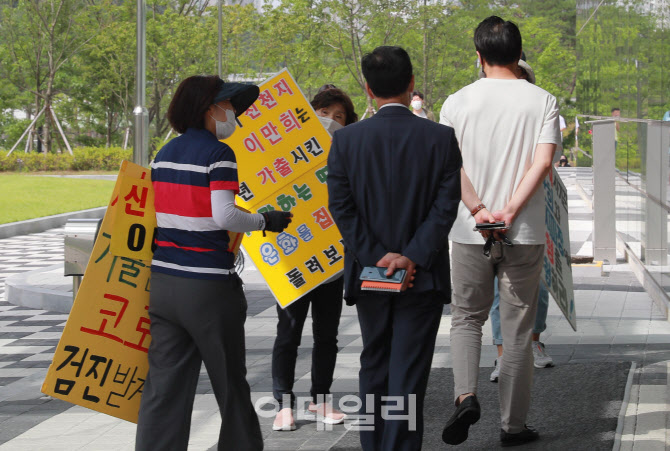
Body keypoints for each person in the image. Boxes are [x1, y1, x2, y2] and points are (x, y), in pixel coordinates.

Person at [136, 75, 292, 451]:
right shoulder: (219, 155)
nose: (233, 115)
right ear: (209, 108)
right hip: (207, 287)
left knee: (164, 387)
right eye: (228, 107)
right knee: (230, 383)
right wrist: (264, 221)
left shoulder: (163, 154)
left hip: (164, 283)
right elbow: (224, 216)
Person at [328, 46, 462, 450]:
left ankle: (373, 445)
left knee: (373, 365)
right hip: (420, 278)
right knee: (408, 372)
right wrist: (410, 257)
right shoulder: (440, 138)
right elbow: (445, 206)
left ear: (367, 89)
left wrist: (376, 258)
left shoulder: (346, 141)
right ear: (411, 85)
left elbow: (342, 208)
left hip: (369, 276)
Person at [440, 16, 560, 447]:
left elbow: (450, 167)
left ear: (479, 56)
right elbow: (543, 162)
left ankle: (466, 395)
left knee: (467, 317)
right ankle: (513, 426)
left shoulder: (456, 102)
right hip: (522, 231)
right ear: (518, 53)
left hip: (470, 230)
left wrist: (480, 209)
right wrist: (509, 211)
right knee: (517, 330)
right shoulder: (543, 100)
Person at [271, 87, 357, 432]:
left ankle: (320, 399)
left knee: (327, 335)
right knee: (288, 332)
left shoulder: (348, 156)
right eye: (324, 113)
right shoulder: (286, 155)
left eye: (339, 117)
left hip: (331, 263)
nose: (331, 121)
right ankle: (283, 404)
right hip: (293, 259)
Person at [487, 59, 555, 384]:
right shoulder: (486, 113)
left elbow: (547, 164)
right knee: (500, 293)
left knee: (538, 289)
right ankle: (502, 355)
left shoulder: (542, 109)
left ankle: (534, 341)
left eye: (523, 79)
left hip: (529, 220)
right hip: (493, 218)